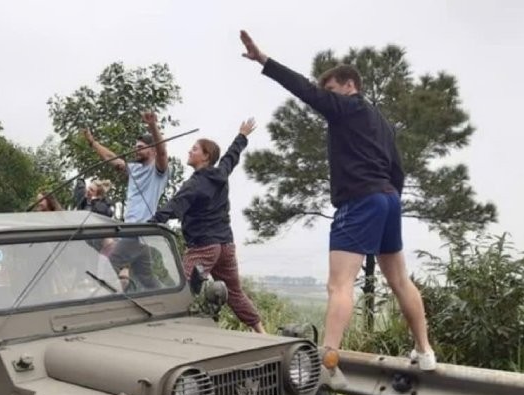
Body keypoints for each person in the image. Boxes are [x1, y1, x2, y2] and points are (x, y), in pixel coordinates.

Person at [239, 30, 436, 369]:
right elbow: (398, 170)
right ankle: (425, 351)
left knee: (339, 285)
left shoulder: (345, 109)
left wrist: (264, 61)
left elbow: (304, 90)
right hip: (388, 199)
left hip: (361, 201)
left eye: (331, 90)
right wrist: (388, 204)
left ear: (348, 86)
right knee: (400, 280)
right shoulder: (382, 122)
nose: (326, 97)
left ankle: (327, 361)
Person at [150, 119, 266, 333]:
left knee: (180, 286)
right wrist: (242, 136)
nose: (189, 151)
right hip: (226, 246)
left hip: (204, 247)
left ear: (205, 156)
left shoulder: (194, 184)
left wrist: (152, 222)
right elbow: (231, 156)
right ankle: (262, 332)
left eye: (194, 148)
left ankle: (169, 331)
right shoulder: (221, 173)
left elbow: (174, 206)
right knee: (235, 292)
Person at [83, 111, 170, 288]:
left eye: (140, 147)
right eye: (135, 146)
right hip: (134, 231)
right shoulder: (134, 169)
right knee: (146, 279)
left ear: (152, 150)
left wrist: (152, 125)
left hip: (139, 230)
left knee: (107, 265)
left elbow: (162, 152)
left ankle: (107, 305)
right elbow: (112, 158)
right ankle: (167, 301)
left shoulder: (159, 171)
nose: (136, 149)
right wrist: (93, 143)